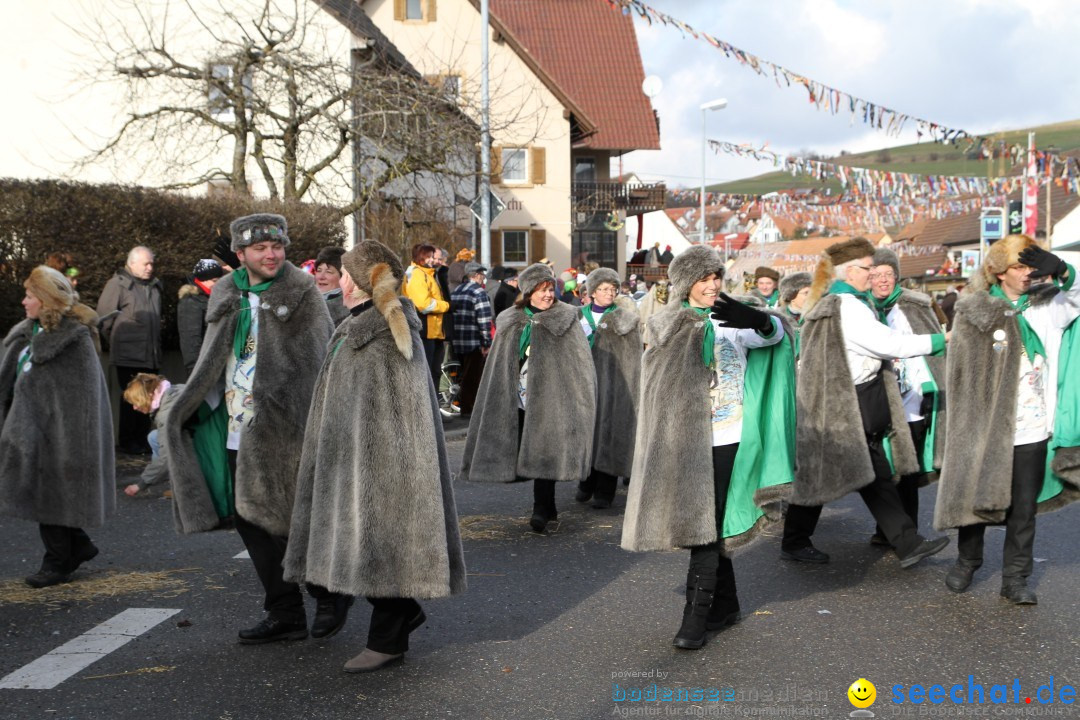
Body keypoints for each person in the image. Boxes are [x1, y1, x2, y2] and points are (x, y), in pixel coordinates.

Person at [164, 213, 348, 644]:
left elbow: (319, 363)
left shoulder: (301, 291)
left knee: (297, 516)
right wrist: (193, 406)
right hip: (236, 424)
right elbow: (217, 358)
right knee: (251, 520)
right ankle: (284, 610)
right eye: (261, 248)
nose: (271, 254)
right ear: (240, 254)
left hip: (290, 425)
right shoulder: (226, 291)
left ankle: (329, 594)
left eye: (277, 247)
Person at [283, 240, 466, 673]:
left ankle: (389, 637)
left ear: (363, 283)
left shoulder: (383, 332)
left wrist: (387, 467)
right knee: (356, 546)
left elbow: (401, 413)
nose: (339, 280)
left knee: (379, 546)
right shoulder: (358, 325)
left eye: (346, 274)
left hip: (379, 464)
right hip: (348, 460)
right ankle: (400, 618)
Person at [622, 246, 796, 649]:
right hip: (687, 441)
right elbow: (657, 391)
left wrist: (757, 318)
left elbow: (773, 336)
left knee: (705, 526)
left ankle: (694, 619)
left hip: (731, 440)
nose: (712, 284)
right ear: (686, 284)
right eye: (703, 278)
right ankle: (727, 605)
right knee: (710, 526)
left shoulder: (732, 320)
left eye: (716, 276)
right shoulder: (664, 325)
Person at [784, 238, 950, 568]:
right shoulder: (849, 306)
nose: (873, 274)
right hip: (848, 401)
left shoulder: (844, 301)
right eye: (868, 268)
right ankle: (797, 540)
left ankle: (905, 541)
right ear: (850, 270)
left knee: (870, 475)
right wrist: (940, 340)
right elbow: (886, 344)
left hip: (847, 398)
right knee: (839, 474)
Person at [936, 236, 1080, 605]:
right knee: (976, 497)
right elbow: (960, 371)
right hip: (984, 426)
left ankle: (1015, 578)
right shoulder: (973, 310)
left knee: (1023, 508)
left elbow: (1078, 294)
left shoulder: (1049, 305)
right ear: (999, 273)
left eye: (1031, 265)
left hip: (1032, 425)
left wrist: (1061, 270)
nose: (1028, 273)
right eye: (1019, 266)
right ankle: (968, 561)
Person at [459, 263, 597, 532]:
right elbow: (499, 364)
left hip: (553, 399)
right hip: (519, 397)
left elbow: (581, 364)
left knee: (544, 450)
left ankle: (541, 508)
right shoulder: (511, 319)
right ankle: (549, 506)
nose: (548, 295)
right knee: (526, 446)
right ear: (528, 292)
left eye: (550, 289)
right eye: (541, 290)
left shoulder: (567, 318)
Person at [0, 266, 114, 588]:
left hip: (60, 433)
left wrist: (68, 437)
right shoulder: (27, 332)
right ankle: (78, 546)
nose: (24, 301)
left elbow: (82, 397)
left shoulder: (72, 338)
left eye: (30, 296)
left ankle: (59, 562)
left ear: (46, 301)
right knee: (43, 494)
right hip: (27, 426)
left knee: (50, 494)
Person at [868, 248, 947, 544]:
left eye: (888, 274)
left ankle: (907, 530)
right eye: (876, 274)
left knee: (908, 472)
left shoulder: (915, 306)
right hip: (879, 401)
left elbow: (936, 350)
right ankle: (887, 529)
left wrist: (932, 388)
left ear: (896, 277)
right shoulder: (860, 309)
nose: (883, 280)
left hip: (912, 401)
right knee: (883, 472)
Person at [575, 268, 642, 509]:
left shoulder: (626, 319)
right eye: (604, 289)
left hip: (614, 385)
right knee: (585, 434)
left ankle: (606, 489)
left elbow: (633, 357)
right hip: (582, 384)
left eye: (613, 289)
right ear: (591, 292)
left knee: (610, 434)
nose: (609, 293)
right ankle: (586, 482)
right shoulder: (576, 317)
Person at [98, 246, 163, 454]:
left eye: (152, 263)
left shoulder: (154, 286)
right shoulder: (117, 285)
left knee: (150, 398)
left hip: (150, 355)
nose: (150, 268)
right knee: (130, 400)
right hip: (128, 355)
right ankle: (127, 442)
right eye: (146, 263)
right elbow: (103, 320)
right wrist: (118, 342)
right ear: (132, 263)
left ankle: (143, 441)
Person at [122, 373, 182, 497]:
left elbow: (167, 456)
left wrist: (141, 484)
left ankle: (182, 486)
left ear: (148, 396)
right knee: (155, 437)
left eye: (136, 402)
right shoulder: (171, 392)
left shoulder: (167, 414)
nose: (134, 407)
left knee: (159, 441)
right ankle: (174, 482)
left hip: (205, 445)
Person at [403, 243, 450, 387]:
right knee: (427, 374)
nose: (432, 260)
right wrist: (446, 306)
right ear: (421, 257)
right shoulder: (417, 274)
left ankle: (433, 406)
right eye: (429, 257)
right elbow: (423, 304)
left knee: (433, 373)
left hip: (433, 331)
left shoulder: (427, 274)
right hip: (425, 331)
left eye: (432, 257)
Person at [450, 262, 493, 416]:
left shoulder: (456, 291)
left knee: (463, 375)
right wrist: (486, 342)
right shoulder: (478, 292)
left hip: (458, 339)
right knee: (472, 377)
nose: (484, 278)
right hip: (473, 340)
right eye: (482, 275)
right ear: (476, 275)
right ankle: (469, 410)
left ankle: (463, 406)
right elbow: (484, 319)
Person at [178, 259, 225, 379]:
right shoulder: (191, 302)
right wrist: (195, 369)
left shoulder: (213, 298)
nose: (218, 283)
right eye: (214, 280)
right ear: (202, 280)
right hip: (202, 367)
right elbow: (190, 340)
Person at [313, 246, 350, 326]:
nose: (321, 277)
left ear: (343, 277)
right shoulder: (303, 304)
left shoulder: (351, 315)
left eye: (329, 272)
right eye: (319, 270)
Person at [778, 272, 812, 356]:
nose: (811, 296)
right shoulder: (779, 319)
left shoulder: (816, 315)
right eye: (806, 293)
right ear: (792, 297)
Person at [638, 279, 671, 347]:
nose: (663, 296)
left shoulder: (671, 303)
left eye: (665, 293)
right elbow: (641, 319)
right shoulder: (647, 301)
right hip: (649, 338)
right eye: (660, 292)